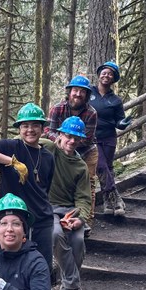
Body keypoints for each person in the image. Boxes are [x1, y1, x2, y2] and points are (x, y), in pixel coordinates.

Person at [0, 103, 55, 273]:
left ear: (42, 129)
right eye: (25, 126)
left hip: (43, 219)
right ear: (19, 129)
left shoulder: (47, 156)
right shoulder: (12, 147)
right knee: (14, 269)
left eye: (35, 125)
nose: (30, 130)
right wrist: (11, 162)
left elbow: (46, 188)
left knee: (42, 268)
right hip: (16, 220)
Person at [40, 116, 92, 290]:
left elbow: (84, 199)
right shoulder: (50, 149)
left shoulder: (80, 167)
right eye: (68, 136)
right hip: (48, 209)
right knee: (54, 234)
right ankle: (75, 289)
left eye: (76, 139)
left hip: (70, 212)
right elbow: (27, 141)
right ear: (60, 135)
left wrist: (80, 218)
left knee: (78, 241)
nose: (71, 141)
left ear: (80, 141)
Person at [45, 75, 98, 225]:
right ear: (69, 92)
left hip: (87, 151)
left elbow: (87, 138)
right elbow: (49, 130)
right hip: (62, 148)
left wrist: (71, 141)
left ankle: (86, 220)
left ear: (87, 95)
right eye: (75, 90)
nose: (78, 94)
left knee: (88, 183)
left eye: (82, 91)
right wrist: (61, 141)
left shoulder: (91, 112)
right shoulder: (58, 108)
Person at [89, 61, 130, 216]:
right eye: (104, 73)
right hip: (92, 137)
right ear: (99, 75)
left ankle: (107, 202)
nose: (106, 76)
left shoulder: (115, 100)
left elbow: (119, 122)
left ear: (113, 79)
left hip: (109, 138)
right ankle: (117, 198)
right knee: (100, 166)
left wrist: (123, 124)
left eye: (110, 74)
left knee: (108, 168)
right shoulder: (89, 93)